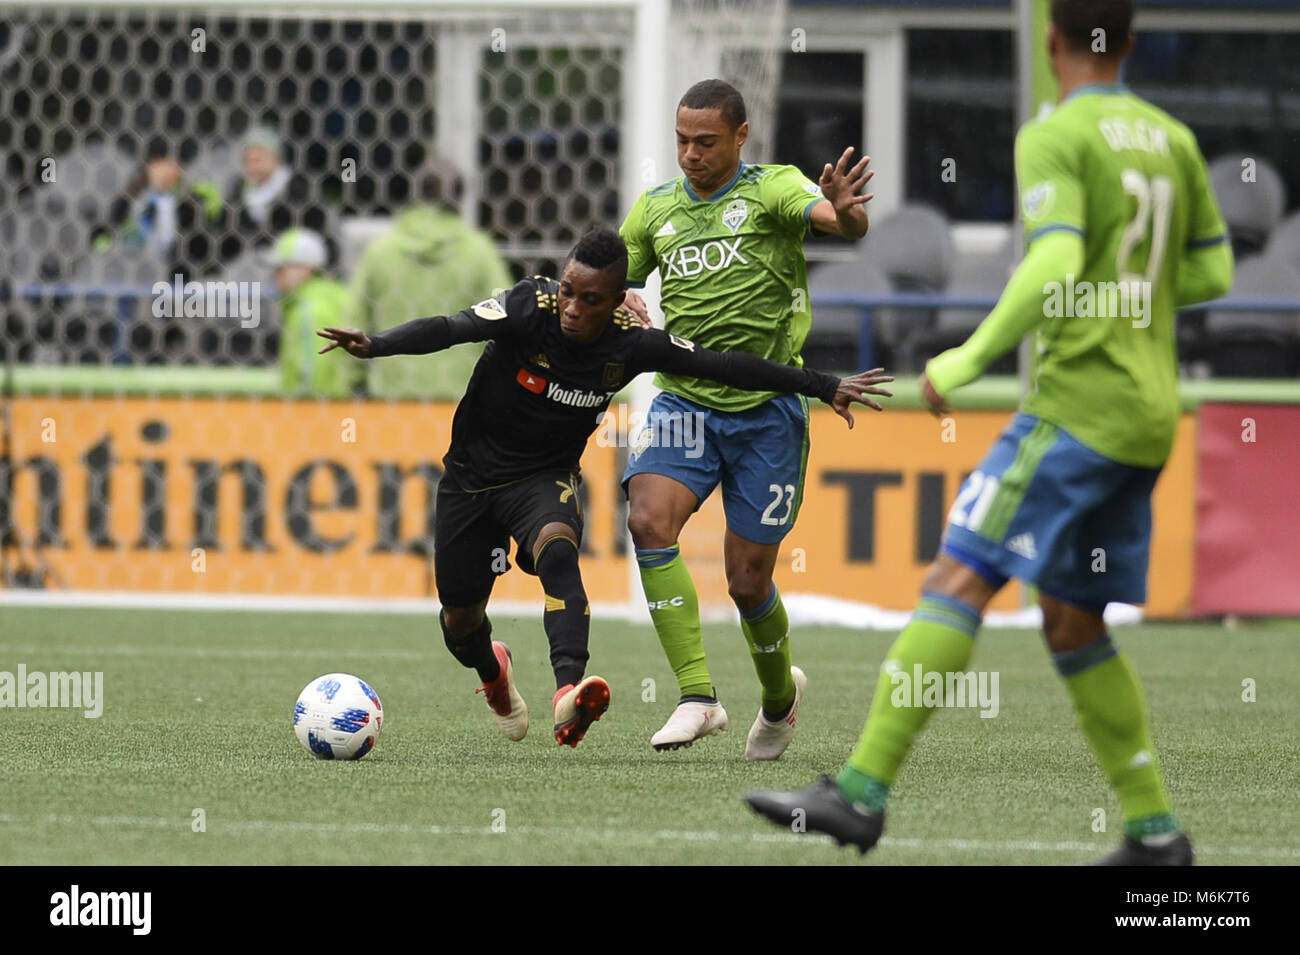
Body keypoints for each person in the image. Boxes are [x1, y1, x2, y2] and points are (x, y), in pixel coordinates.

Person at [745, 0, 1233, 865]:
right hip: (1152, 416)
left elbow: (1053, 259)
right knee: (1073, 621)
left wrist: (967, 359)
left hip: (1077, 408)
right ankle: (1157, 835)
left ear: (1053, 42)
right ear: (1129, 40)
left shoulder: (1055, 131)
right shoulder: (1170, 137)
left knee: (958, 572)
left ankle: (860, 792)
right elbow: (1212, 266)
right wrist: (1132, 288)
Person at [317, 226, 893, 748]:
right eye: (568, 290)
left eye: (589, 299)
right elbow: (450, 329)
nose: (571, 307)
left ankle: (568, 692)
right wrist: (377, 343)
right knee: (460, 623)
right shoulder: (529, 306)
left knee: (559, 553)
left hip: (545, 478)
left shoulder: (630, 344)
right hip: (470, 479)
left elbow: (727, 366)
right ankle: (494, 675)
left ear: (619, 302)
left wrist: (821, 383)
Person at [618, 79, 875, 757]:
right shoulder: (656, 210)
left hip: (767, 411)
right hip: (684, 398)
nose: (690, 155)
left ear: (740, 136)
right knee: (647, 517)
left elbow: (835, 221)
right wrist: (625, 301)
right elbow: (616, 278)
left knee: (746, 579)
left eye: (705, 142)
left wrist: (847, 214)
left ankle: (779, 701)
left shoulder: (772, 188)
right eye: (681, 141)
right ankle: (699, 696)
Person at [342, 157, 512, 399]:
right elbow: (505, 319)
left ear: (413, 192)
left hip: (391, 393)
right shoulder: (480, 252)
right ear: (461, 196)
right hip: (462, 392)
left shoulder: (381, 251)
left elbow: (354, 318)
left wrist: (353, 383)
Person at [272, 228, 359, 398]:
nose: (276, 275)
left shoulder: (309, 310)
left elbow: (311, 370)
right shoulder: (335, 295)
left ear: (305, 268)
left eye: (282, 267)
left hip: (312, 413)